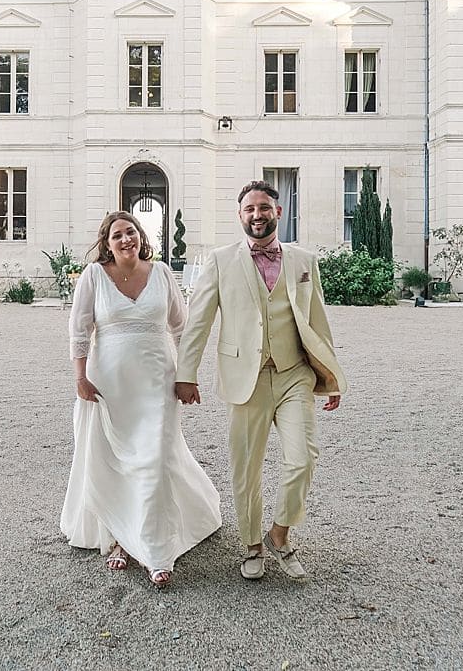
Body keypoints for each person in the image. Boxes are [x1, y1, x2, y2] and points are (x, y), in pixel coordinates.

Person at [175, 181, 347, 581]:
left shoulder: (304, 260)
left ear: (278, 212)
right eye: (250, 209)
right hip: (244, 378)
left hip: (294, 375)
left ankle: (279, 535)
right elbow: (198, 322)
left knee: (303, 458)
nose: (257, 215)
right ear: (240, 215)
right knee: (246, 468)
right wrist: (187, 374)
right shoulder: (220, 261)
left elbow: (317, 320)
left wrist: (331, 376)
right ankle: (251, 545)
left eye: (264, 208)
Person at [60, 211, 221, 588]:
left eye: (131, 232)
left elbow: (183, 327)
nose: (126, 239)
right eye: (117, 235)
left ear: (140, 235)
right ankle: (118, 537)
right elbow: (79, 330)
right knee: (116, 459)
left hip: (157, 381)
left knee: (154, 458)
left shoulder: (162, 273)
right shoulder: (94, 277)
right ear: (107, 243)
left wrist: (188, 374)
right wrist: (80, 378)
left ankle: (154, 549)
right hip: (110, 384)